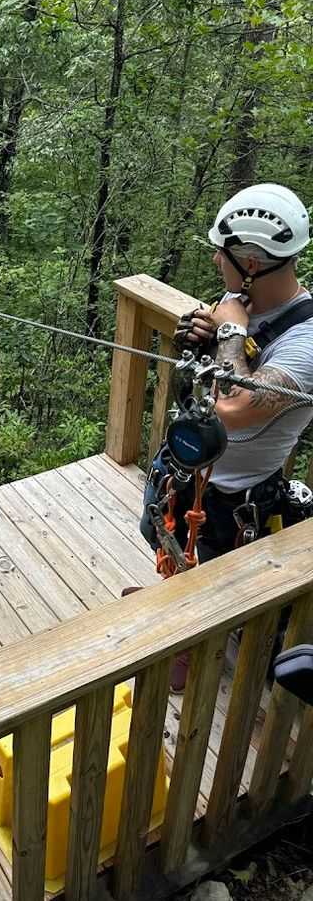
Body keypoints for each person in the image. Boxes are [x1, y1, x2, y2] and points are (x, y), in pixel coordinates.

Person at [156, 183, 313, 691]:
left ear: (249, 260)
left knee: (218, 577)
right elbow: (217, 367)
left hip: (235, 497)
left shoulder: (306, 341)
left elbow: (234, 408)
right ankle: (177, 614)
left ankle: (198, 639)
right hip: (184, 468)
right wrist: (200, 337)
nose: (214, 260)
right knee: (165, 537)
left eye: (220, 252)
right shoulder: (237, 300)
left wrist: (226, 335)